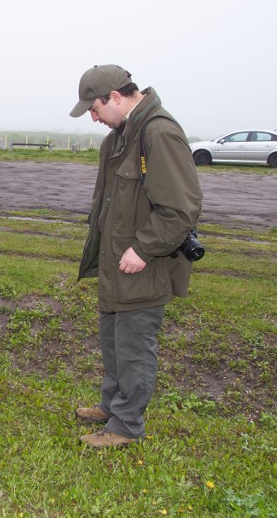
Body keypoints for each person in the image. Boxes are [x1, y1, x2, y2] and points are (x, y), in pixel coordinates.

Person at [70, 65, 203, 447]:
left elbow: (180, 208)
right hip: (117, 263)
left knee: (133, 346)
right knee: (114, 341)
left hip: (142, 264)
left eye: (94, 109)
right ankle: (113, 406)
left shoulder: (158, 133)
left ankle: (127, 426)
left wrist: (144, 248)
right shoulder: (119, 137)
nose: (93, 118)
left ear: (114, 97)